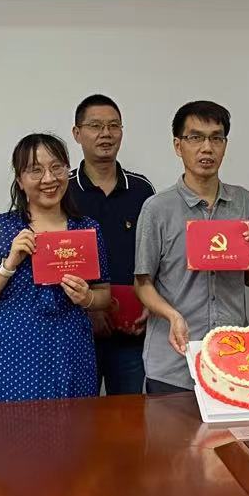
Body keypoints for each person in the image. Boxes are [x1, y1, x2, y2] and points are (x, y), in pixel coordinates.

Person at [134, 100, 249, 394]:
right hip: (173, 361)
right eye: (195, 137)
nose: (207, 148)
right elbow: (143, 283)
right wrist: (172, 316)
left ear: (225, 145)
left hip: (231, 358)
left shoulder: (243, 202)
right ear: (178, 145)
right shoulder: (157, 208)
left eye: (216, 138)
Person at [0, 134, 110, 402]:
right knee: (8, 425)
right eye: (35, 170)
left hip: (70, 349)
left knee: (73, 425)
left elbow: (104, 295)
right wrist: (9, 264)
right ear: (20, 180)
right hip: (11, 351)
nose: (49, 178)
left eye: (56, 167)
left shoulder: (87, 229)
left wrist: (87, 297)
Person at [69, 94, 155, 395]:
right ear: (77, 133)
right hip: (77, 329)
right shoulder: (63, 190)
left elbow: (155, 255)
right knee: (78, 417)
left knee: (129, 416)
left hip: (132, 331)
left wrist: (151, 304)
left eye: (113, 126)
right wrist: (91, 307)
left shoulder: (142, 189)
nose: (105, 134)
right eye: (95, 126)